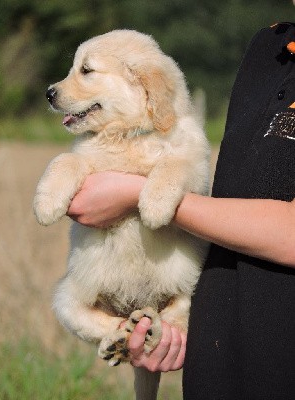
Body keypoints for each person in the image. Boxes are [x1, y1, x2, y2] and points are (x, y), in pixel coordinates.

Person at [67, 22, 295, 399]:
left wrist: (137, 193)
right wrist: (178, 323)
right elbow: (231, 202)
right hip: (219, 365)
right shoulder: (269, 45)